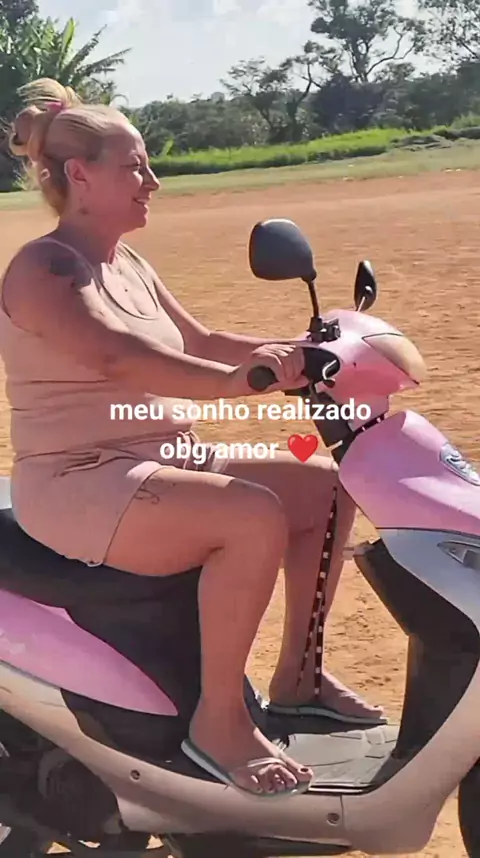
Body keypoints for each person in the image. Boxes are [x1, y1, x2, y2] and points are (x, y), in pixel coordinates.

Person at [0, 78, 385, 799]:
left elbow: (201, 341)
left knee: (323, 492)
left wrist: (309, 351)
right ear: (80, 175)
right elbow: (119, 356)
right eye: (134, 167)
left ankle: (299, 678)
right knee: (249, 514)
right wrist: (243, 381)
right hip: (82, 478)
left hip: (161, 460)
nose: (153, 181)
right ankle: (220, 723)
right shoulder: (44, 268)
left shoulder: (127, 262)